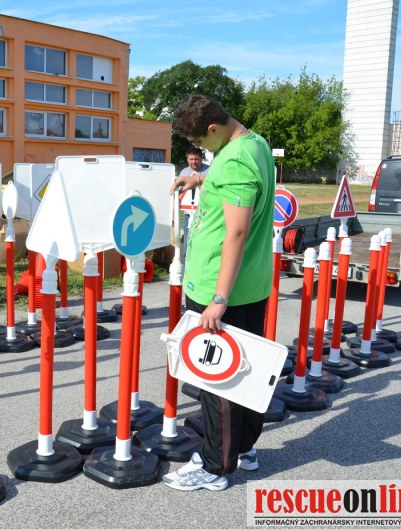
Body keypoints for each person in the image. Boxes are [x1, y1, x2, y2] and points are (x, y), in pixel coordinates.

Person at [164, 94, 275, 492]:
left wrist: (219, 298)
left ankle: (215, 466)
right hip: (251, 284)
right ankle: (243, 448)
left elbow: (237, 231)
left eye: (199, 142)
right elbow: (234, 181)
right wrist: (200, 179)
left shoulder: (234, 161)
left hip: (221, 287)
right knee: (245, 372)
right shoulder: (253, 143)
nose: (198, 150)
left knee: (218, 380)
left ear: (213, 129)